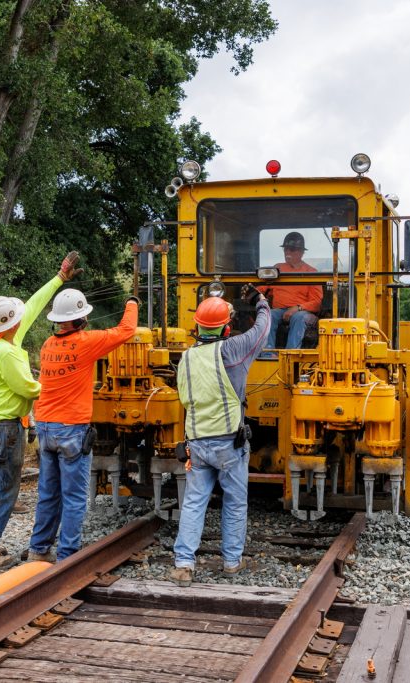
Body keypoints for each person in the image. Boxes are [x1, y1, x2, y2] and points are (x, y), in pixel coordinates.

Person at [0, 251, 83, 569]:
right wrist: (60, 381)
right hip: (4, 426)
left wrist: (58, 279)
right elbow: (29, 389)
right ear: (12, 324)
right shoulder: (6, 353)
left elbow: (32, 306)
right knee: (4, 485)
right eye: (17, 317)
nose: (23, 318)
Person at [168, 285, 270, 587]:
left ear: (197, 326)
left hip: (197, 444)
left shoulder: (186, 358)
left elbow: (184, 399)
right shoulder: (233, 350)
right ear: (227, 327)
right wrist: (261, 302)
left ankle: (183, 564)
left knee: (193, 502)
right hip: (229, 444)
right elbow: (262, 331)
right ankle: (231, 562)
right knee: (235, 502)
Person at [27, 290, 139, 562]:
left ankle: (38, 550)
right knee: (75, 496)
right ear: (81, 319)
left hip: (45, 426)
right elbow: (126, 330)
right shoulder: (86, 342)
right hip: (71, 429)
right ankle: (68, 556)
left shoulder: (47, 345)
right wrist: (132, 303)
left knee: (48, 493)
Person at [262, 231, 323, 350]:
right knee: (268, 315)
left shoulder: (311, 272)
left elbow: (317, 304)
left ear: (301, 252)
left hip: (304, 312)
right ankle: (267, 353)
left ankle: (291, 354)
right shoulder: (277, 268)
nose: (288, 252)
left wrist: (297, 308)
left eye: (292, 249)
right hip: (279, 310)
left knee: (298, 317)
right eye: (286, 249)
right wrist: (253, 292)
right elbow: (263, 288)